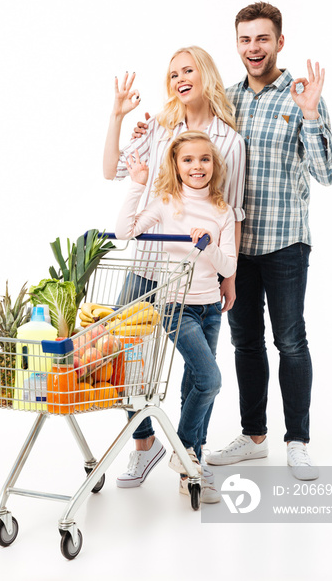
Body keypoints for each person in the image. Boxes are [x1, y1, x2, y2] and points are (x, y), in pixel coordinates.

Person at [133, 3, 332, 481]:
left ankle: (298, 441)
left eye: (262, 39)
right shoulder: (228, 100)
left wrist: (311, 116)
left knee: (290, 340)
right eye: (246, 40)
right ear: (237, 45)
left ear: (279, 42)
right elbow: (190, 149)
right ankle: (253, 436)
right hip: (232, 249)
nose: (254, 48)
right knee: (246, 343)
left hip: (286, 240)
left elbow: (329, 174)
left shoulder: (302, 96)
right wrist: (148, 132)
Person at [103, 46, 245, 488]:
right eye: (173, 74)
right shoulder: (160, 127)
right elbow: (113, 171)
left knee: (198, 371)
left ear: (205, 75)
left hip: (197, 277)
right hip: (146, 264)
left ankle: (191, 457)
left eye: (188, 70)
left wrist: (229, 277)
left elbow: (233, 211)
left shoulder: (230, 142)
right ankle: (145, 444)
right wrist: (118, 116)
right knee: (122, 357)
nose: (180, 79)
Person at [115, 131, 237, 503]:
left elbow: (228, 264)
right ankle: (185, 454)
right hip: (175, 306)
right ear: (176, 165)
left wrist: (210, 245)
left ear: (214, 165)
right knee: (209, 379)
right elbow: (125, 232)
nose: (197, 166)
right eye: (188, 160)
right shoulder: (167, 202)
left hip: (209, 309)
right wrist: (136, 186)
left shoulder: (223, 211)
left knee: (195, 384)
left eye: (204, 159)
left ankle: (190, 468)